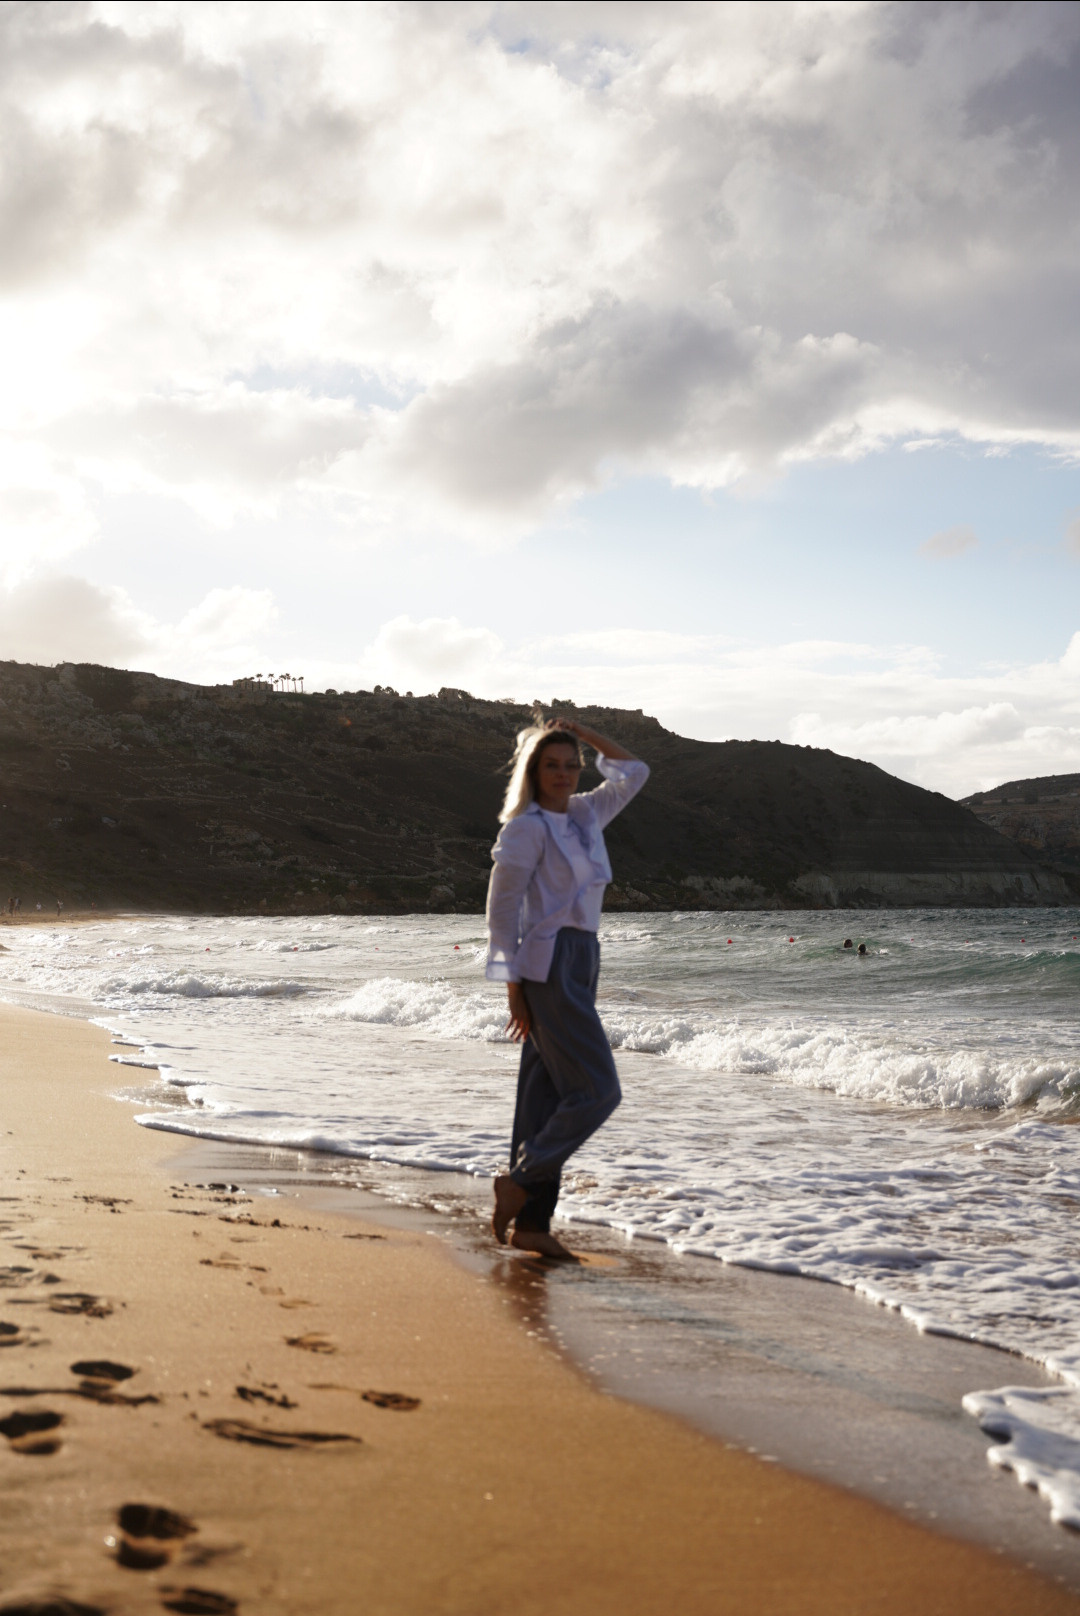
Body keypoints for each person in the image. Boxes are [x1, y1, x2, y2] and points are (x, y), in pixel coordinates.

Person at [485, 718, 649, 1259]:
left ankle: (532, 1226)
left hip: (584, 956)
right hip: (546, 961)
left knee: (543, 1095)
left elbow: (633, 772)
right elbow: (502, 910)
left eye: (571, 764)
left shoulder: (584, 815)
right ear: (533, 771)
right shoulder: (525, 828)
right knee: (599, 1090)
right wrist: (513, 984)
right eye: (551, 764)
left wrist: (584, 731)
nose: (563, 773)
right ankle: (523, 1181)